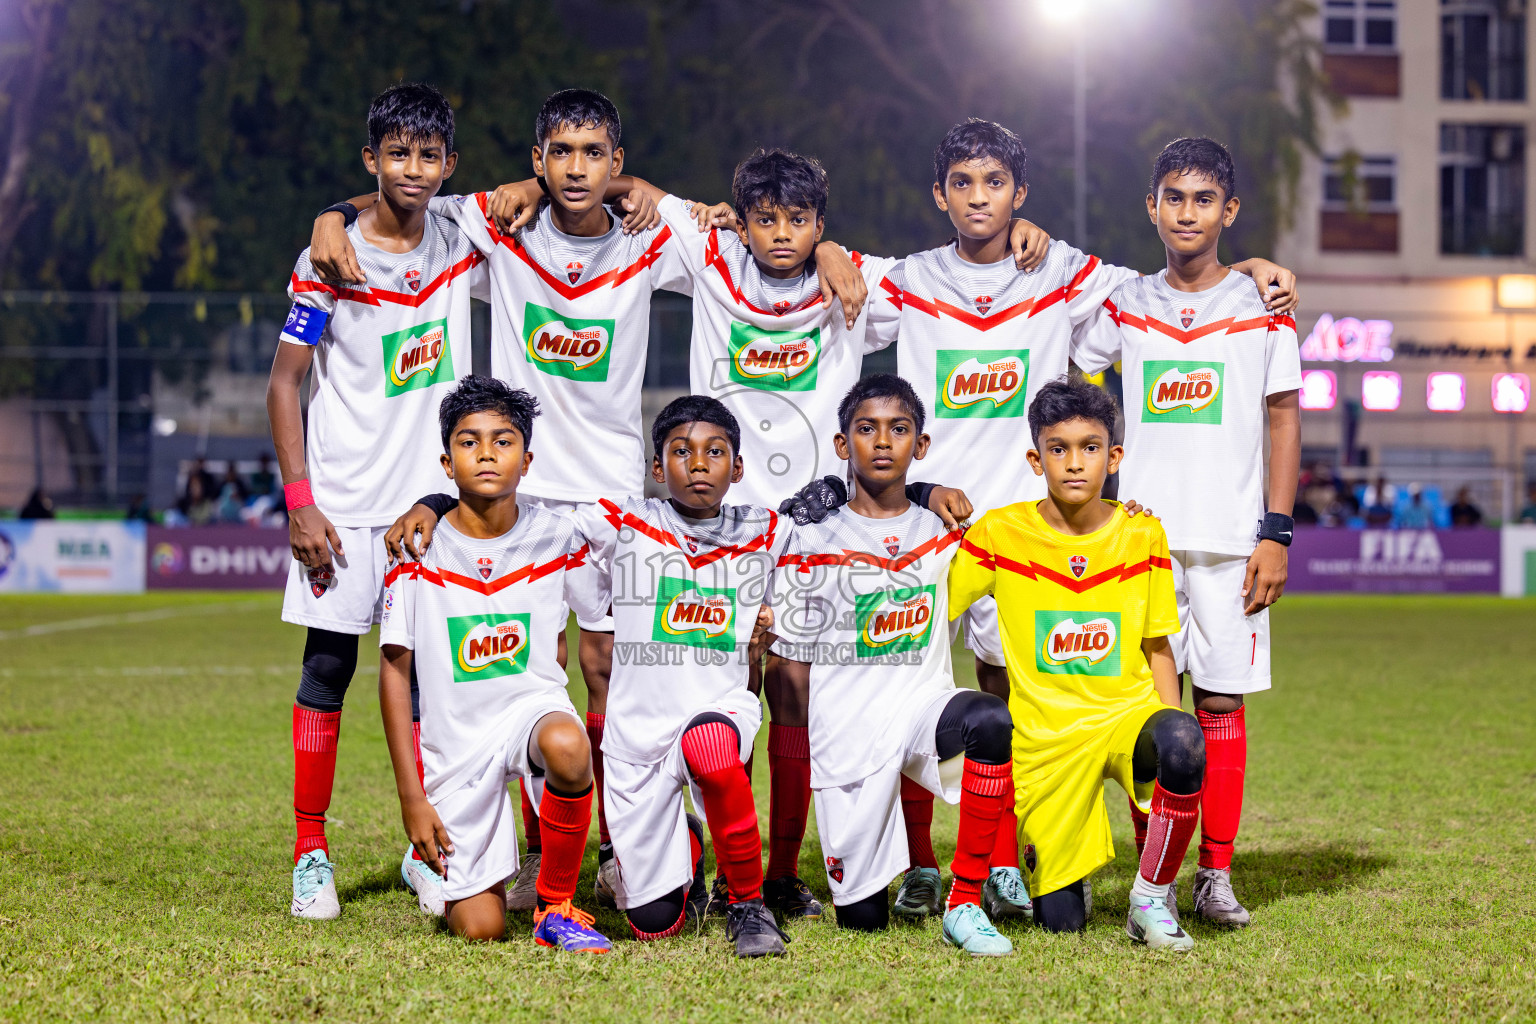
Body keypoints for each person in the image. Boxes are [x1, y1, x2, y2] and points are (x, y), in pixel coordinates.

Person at [313, 91, 864, 911]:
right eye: (560, 152)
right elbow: (403, 193)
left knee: (617, 671)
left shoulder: (653, 240)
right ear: (536, 160)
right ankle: (541, 851)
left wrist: (834, 254)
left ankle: (626, 845)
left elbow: (760, 241)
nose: (576, 167)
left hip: (613, 495)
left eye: (594, 154)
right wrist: (332, 216)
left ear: (617, 163)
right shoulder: (499, 227)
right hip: (521, 493)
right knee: (526, 666)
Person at [781, 118, 1295, 922]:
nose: (979, 198)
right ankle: (923, 865)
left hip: (1034, 529)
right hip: (929, 527)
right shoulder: (910, 278)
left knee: (1017, 694)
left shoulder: (1064, 271)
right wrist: (827, 249)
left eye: (995, 185)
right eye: (963, 183)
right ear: (940, 194)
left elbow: (1184, 277)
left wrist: (1256, 270)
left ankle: (1012, 859)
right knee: (906, 686)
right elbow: (810, 261)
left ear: (1020, 194)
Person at [612, 147, 1041, 920]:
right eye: (765, 219)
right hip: (724, 519)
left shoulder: (857, 276)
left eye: (802, 221)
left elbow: (964, 271)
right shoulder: (707, 247)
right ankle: (726, 872)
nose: (782, 235)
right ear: (740, 222)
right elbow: (619, 184)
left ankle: (780, 873)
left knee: (803, 691)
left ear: (822, 222)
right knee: (725, 687)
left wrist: (844, 252)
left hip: (820, 526)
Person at [266, 82, 485, 921]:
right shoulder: (332, 257)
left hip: (430, 504)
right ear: (372, 159)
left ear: (450, 165)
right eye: (397, 153)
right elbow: (286, 384)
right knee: (330, 669)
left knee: (431, 675)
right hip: (346, 506)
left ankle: (423, 848)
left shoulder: (463, 234)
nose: (414, 169)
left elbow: (545, 190)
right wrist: (300, 501)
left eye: (430, 156)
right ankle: (309, 853)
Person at [1073, 137, 1301, 927]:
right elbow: (1077, 374)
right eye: (1175, 197)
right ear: (1152, 206)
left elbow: (1283, 418)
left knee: (1222, 703)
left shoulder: (1262, 308)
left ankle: (1216, 872)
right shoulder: (1126, 303)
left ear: (1229, 212)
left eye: (1205, 200)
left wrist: (1277, 533)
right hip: (1140, 542)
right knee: (1153, 716)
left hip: (1234, 541)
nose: (1188, 213)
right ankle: (1156, 876)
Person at [949, 377, 1206, 951]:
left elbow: (1158, 648)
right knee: (1061, 924)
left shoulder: (1143, 533)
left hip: (1124, 719)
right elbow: (928, 598)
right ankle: (1051, 875)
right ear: (1035, 458)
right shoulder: (999, 534)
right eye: (1058, 449)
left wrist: (1170, 745)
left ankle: (1151, 898)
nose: (1074, 463)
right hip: (1048, 744)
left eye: (1090, 447)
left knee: (1185, 741)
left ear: (1114, 457)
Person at [771, 375, 1017, 955]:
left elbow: (1046, 529)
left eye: (899, 429)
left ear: (921, 446)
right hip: (847, 738)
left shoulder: (950, 533)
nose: (883, 442)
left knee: (988, 720)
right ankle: (871, 871)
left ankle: (966, 900)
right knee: (862, 920)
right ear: (841, 445)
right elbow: (792, 663)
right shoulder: (809, 539)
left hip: (922, 713)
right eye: (866, 429)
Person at [378, 377, 611, 950]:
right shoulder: (415, 549)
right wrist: (412, 796)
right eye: (468, 442)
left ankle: (555, 905)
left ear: (527, 460)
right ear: (446, 461)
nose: (486, 453)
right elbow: (393, 671)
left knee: (567, 743)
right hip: (455, 746)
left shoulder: (559, 537)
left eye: (503, 441)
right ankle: (425, 861)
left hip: (528, 712)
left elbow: (606, 619)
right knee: (480, 929)